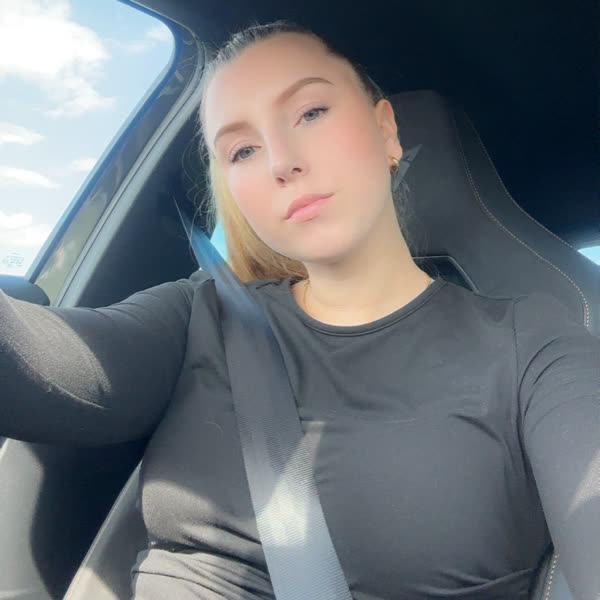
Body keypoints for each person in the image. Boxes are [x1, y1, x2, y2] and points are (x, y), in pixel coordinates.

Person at [1, 19, 599, 600]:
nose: (280, 160)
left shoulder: (535, 345)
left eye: (310, 113)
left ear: (386, 132)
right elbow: (35, 363)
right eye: (242, 150)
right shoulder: (198, 315)